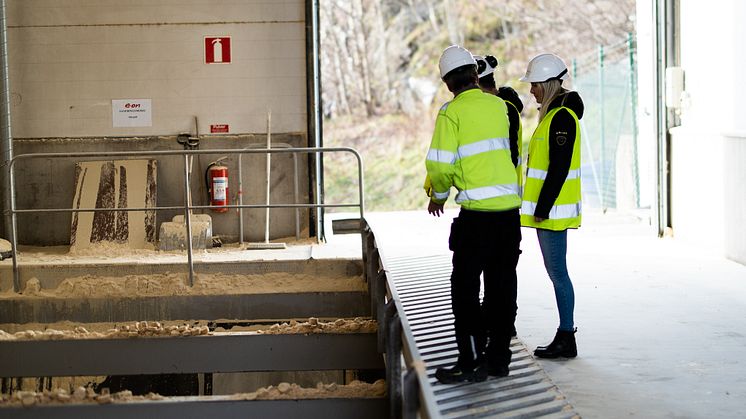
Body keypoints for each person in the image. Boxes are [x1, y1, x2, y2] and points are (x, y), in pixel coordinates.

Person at [425, 45, 522, 383]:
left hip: (476, 217)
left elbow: (439, 164)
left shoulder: (451, 113)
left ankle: (470, 361)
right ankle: (498, 360)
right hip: (509, 214)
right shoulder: (499, 106)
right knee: (501, 286)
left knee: (465, 290)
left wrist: (438, 195)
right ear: (475, 75)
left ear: (448, 83)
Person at [518, 53, 584, 359]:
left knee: (558, 273)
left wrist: (542, 207)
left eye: (534, 85)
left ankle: (566, 336)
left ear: (547, 84)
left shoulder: (560, 118)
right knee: (556, 271)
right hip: (550, 211)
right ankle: (565, 334)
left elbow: (559, 167)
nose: (531, 90)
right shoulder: (553, 115)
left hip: (554, 212)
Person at [474, 54, 525, 337]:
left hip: (500, 199)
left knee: (501, 267)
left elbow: (508, 156)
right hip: (498, 199)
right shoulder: (504, 107)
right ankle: (497, 317)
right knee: (499, 266)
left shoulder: (502, 109)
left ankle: (504, 321)